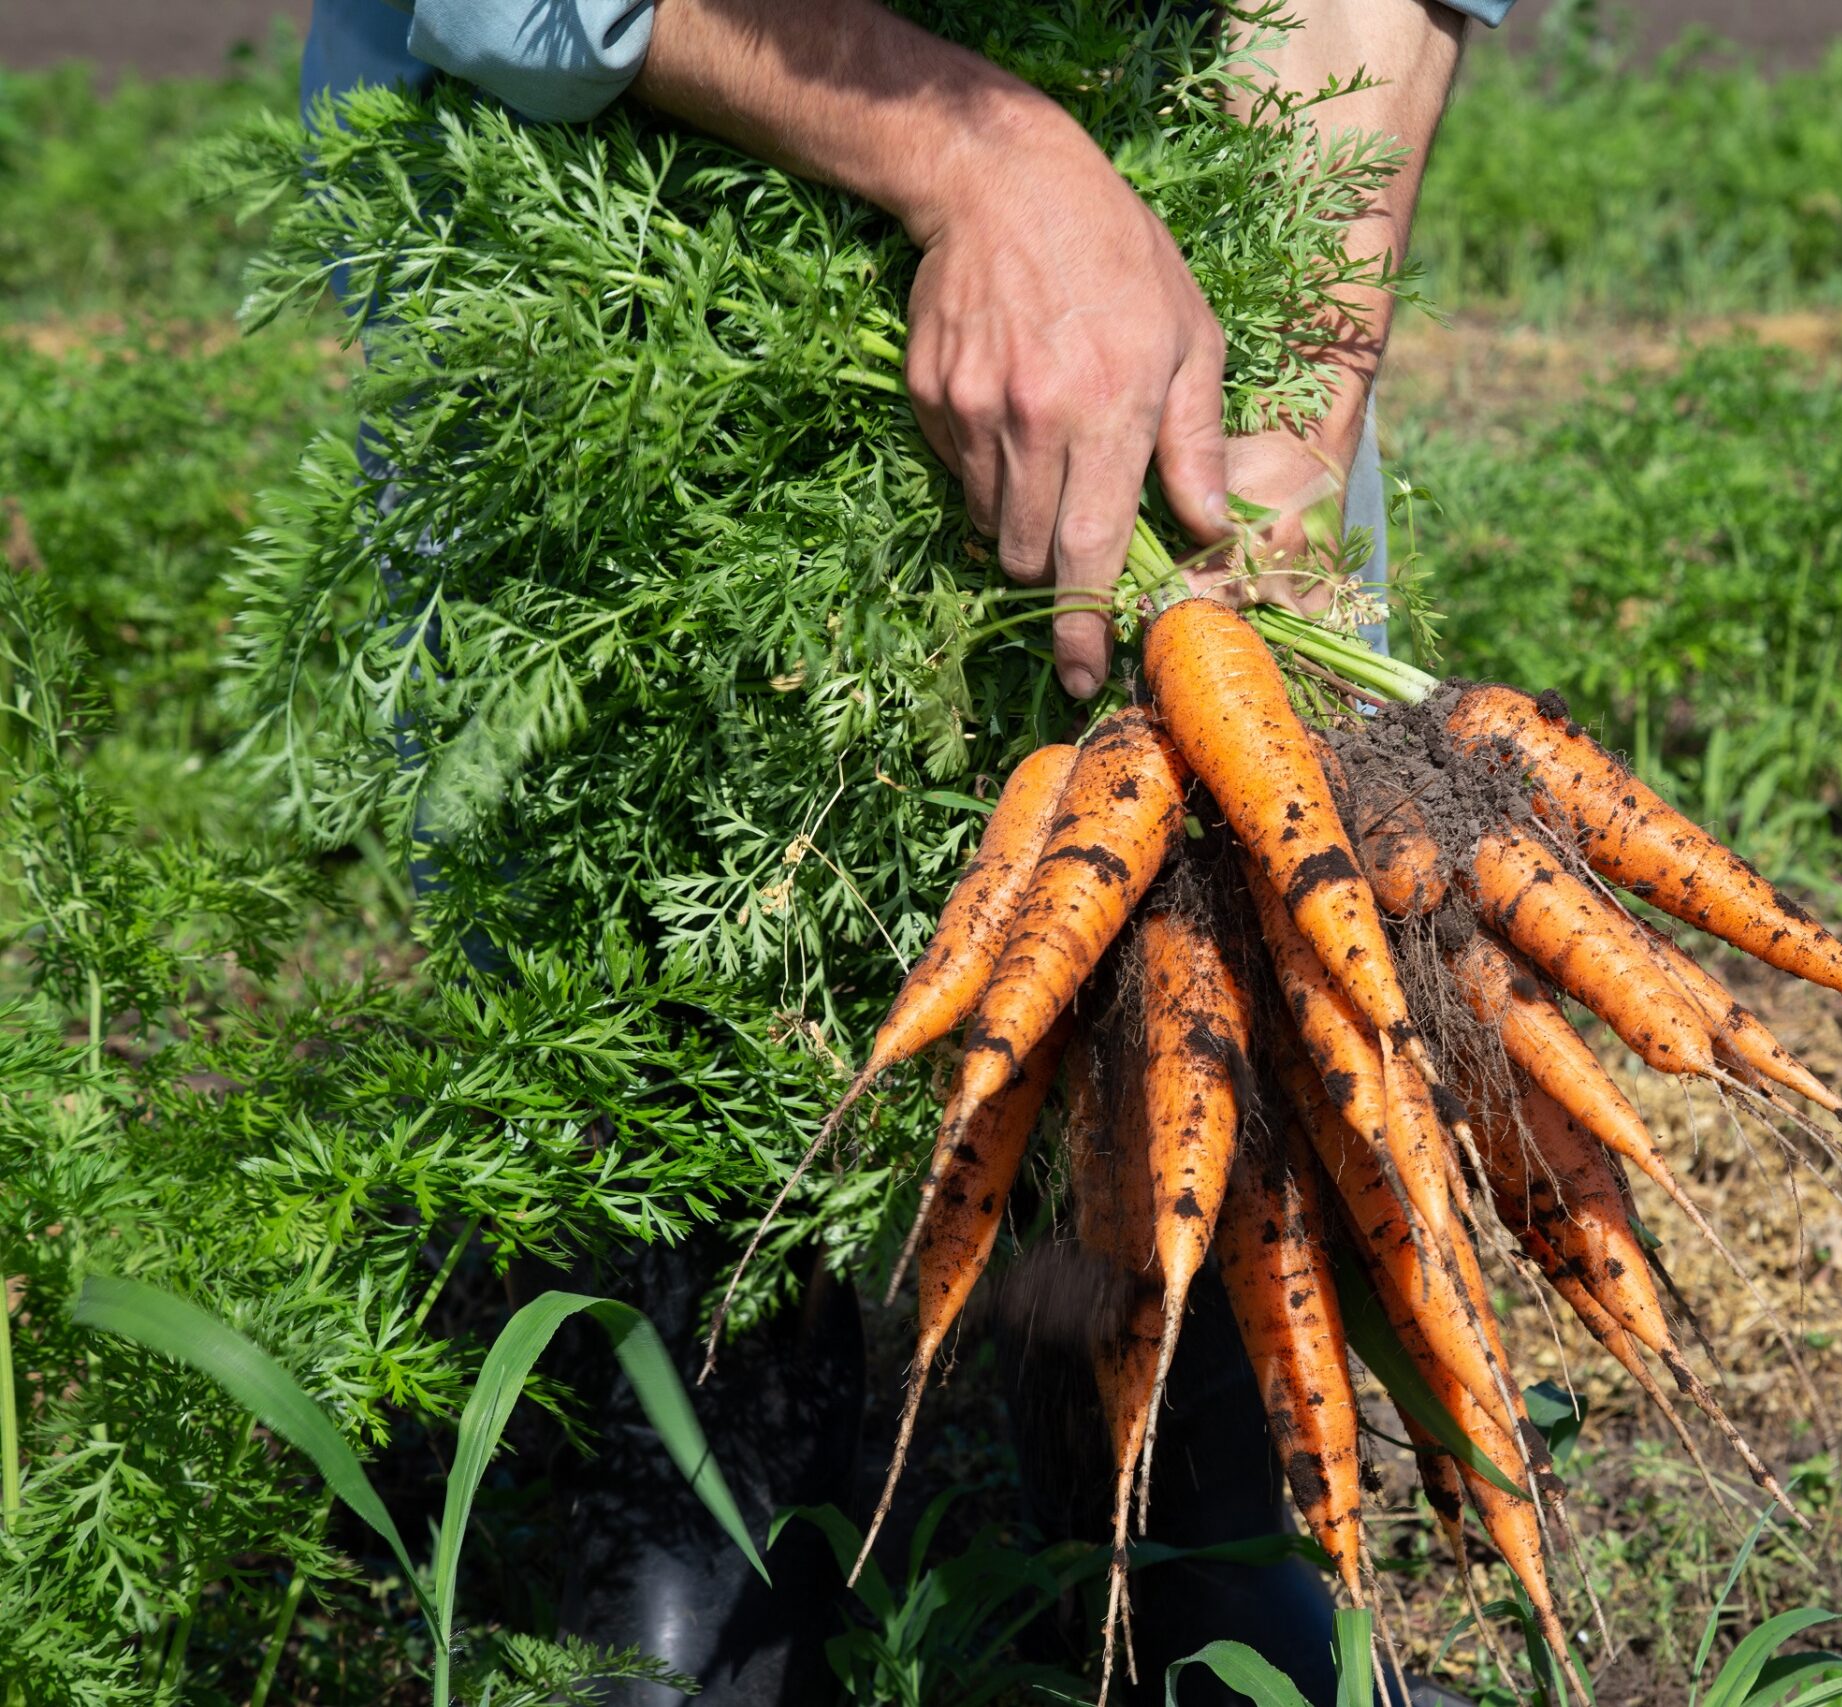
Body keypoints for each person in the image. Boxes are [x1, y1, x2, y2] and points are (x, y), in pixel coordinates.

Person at [298, 1, 1499, 1700]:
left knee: (1210, 923)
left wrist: (1292, 408)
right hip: (610, 216)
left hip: (1177, 231)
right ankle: (705, 1456)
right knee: (657, 833)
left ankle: (1178, 1486)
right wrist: (979, 160)